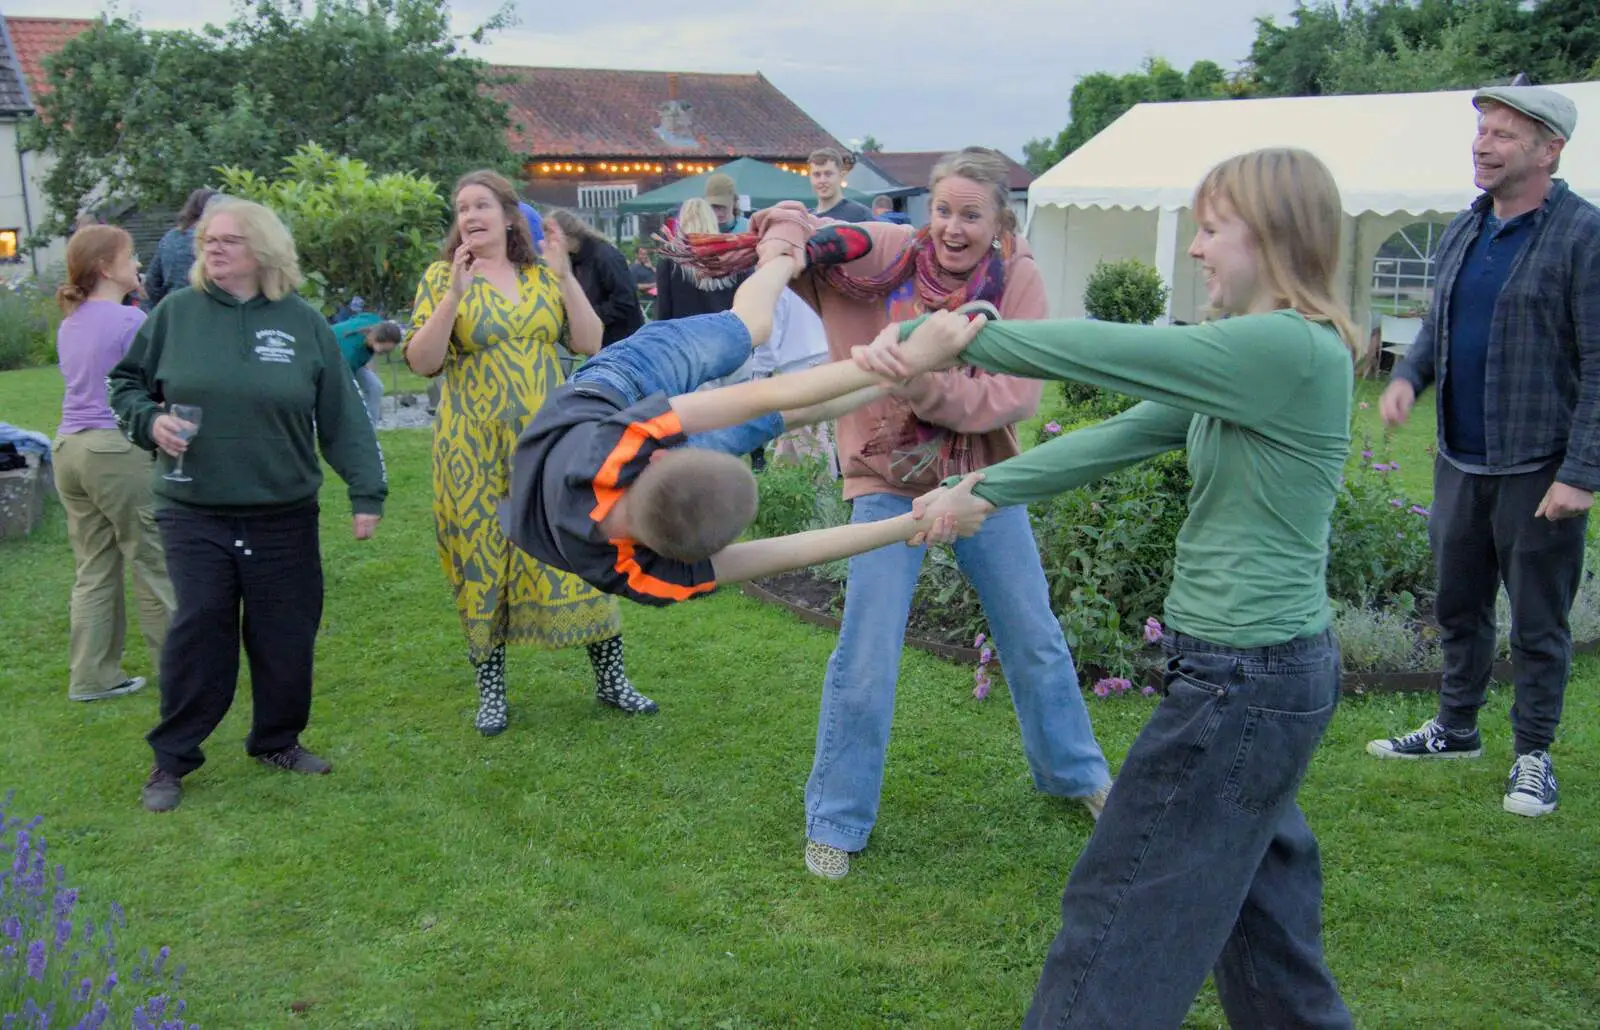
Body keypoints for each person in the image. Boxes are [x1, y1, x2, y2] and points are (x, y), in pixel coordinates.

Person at [855, 146, 1358, 1029]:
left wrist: (960, 332)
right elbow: (1120, 434)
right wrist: (979, 490)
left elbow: (1118, 355)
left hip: (1243, 683)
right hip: (1258, 679)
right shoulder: (1255, 360)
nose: (1196, 250)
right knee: (1260, 924)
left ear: (1271, 238)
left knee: (1123, 911)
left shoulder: (1283, 348)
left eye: (1210, 229)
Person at [665, 146, 1113, 880]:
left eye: (972, 214)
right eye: (943, 210)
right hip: (885, 475)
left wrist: (918, 384)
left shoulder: (1018, 278)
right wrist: (779, 249)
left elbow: (1014, 397)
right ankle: (836, 817)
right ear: (925, 210)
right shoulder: (889, 252)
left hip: (979, 480)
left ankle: (1074, 774)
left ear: (1001, 219)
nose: (954, 228)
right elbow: (790, 221)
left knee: (1032, 635)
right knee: (866, 652)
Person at [108, 198, 387, 814]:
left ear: (263, 249)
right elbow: (125, 384)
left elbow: (342, 416)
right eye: (209, 238)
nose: (214, 247)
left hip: (282, 509)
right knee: (199, 627)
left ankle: (277, 741)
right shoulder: (175, 315)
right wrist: (149, 421)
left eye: (229, 239)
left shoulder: (302, 322)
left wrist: (366, 491)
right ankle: (172, 759)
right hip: (193, 507)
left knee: (285, 633)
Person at [1367, 86, 1599, 819]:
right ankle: (1456, 727)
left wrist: (1582, 473)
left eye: (1503, 134)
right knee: (1460, 604)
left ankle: (1533, 754)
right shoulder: (1464, 230)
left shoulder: (1583, 236)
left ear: (1549, 149)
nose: (1482, 144)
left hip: (1539, 466)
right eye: (1481, 131)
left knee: (1538, 621)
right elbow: (1439, 326)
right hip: (1460, 458)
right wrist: (1408, 376)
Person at [501, 251, 979, 607]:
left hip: (612, 388)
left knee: (747, 332)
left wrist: (907, 354)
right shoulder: (641, 573)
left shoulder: (617, 453)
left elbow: (764, 391)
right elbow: (782, 553)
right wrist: (915, 522)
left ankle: (780, 251)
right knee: (783, 419)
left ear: (664, 453)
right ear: (668, 454)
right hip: (585, 476)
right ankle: (911, 378)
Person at [405, 170, 653, 736]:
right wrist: (453, 300)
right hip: (471, 448)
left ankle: (612, 680)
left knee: (583, 544)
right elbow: (422, 362)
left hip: (548, 444)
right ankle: (491, 692)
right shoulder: (442, 277)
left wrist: (566, 277)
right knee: (481, 558)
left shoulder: (542, 276)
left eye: (481, 206)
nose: (469, 216)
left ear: (509, 215)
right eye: (461, 208)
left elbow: (589, 342)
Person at [52, 225, 176, 703]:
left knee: (94, 566)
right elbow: (161, 382)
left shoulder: (72, 321)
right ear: (107, 267)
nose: (138, 264)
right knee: (152, 559)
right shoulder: (130, 323)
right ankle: (182, 671)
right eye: (131, 256)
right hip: (114, 449)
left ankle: (91, 677)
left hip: (70, 449)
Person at [547, 208, 647, 348]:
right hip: (601, 341)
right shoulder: (572, 261)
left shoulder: (605, 256)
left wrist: (591, 316)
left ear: (566, 236)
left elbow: (625, 299)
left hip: (624, 340)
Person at [142, 188, 216, 310]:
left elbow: (152, 283)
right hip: (205, 306)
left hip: (172, 305)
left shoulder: (170, 237)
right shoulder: (212, 238)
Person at [332, 314, 404, 426]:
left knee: (375, 387)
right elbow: (343, 384)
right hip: (330, 361)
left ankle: (370, 431)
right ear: (375, 340)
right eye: (384, 350)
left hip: (347, 361)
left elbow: (358, 317)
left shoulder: (376, 323)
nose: (385, 353)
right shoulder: (351, 352)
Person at [807, 148, 875, 223]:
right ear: (810, 178)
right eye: (817, 175)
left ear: (841, 176)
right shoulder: (806, 219)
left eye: (828, 174)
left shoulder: (860, 215)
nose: (822, 180)